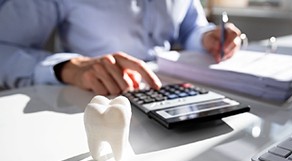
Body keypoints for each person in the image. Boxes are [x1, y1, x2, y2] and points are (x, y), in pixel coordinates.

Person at [0, 0, 242, 95]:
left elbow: (190, 29)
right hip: (93, 98)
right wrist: (68, 67)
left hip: (173, 94)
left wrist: (207, 37)